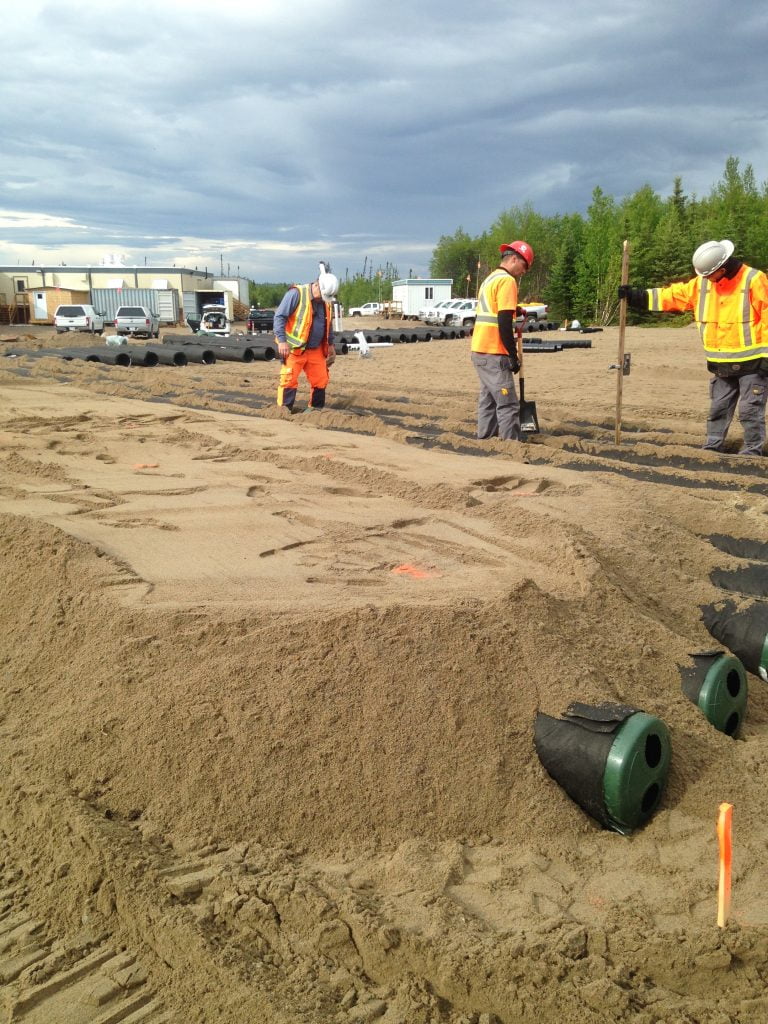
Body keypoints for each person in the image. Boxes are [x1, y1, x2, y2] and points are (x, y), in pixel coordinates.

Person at [619, 240, 768, 456]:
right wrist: (637, 297)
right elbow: (672, 296)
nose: (704, 278)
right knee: (718, 409)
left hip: (754, 364)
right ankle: (712, 448)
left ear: (722, 269)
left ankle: (752, 453)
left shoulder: (754, 280)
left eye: (708, 274)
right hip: (721, 364)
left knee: (750, 411)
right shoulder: (702, 284)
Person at [471, 240, 534, 439]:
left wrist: (515, 309)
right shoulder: (507, 281)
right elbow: (504, 322)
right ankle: (510, 447)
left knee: (489, 400)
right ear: (514, 259)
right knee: (508, 404)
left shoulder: (490, 279)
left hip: (479, 350)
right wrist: (513, 355)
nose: (524, 272)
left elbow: (494, 308)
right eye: (524, 266)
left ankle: (486, 441)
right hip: (494, 351)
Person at [273, 261, 339, 411]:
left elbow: (328, 324)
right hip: (294, 349)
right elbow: (279, 317)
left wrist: (330, 345)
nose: (323, 299)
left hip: (315, 350)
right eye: (322, 295)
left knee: (321, 380)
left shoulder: (325, 302)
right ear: (317, 285)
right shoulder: (296, 294)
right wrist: (282, 342)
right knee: (289, 380)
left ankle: (315, 411)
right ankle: (284, 411)